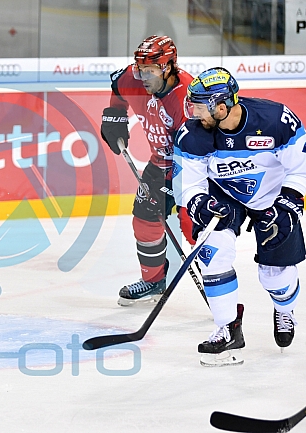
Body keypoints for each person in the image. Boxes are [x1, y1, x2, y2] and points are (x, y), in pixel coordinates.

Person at [173, 67, 306, 366]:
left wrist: (289, 203)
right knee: (213, 252)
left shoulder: (275, 120)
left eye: (200, 106)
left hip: (273, 196)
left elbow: (305, 165)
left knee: (274, 276)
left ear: (221, 106)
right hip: (224, 197)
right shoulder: (193, 134)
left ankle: (284, 308)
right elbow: (187, 183)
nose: (194, 112)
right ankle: (227, 327)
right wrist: (200, 202)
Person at [100, 35, 195, 306]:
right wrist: (114, 115)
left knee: (193, 229)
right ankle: (154, 281)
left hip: (193, 168)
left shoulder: (186, 97)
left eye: (151, 71)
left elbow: (193, 155)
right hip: (160, 163)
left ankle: (217, 284)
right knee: (144, 219)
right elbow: (119, 88)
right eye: (141, 70)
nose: (143, 77)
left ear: (168, 68)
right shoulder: (133, 77)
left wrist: (183, 204)